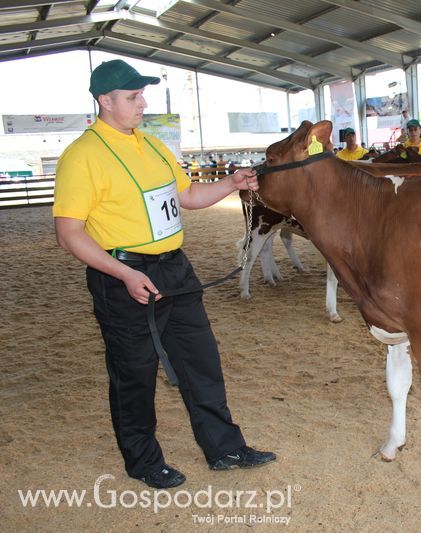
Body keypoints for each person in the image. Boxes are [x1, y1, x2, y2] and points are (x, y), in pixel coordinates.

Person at [52, 60, 275, 490]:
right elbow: (69, 233)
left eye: (142, 95)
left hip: (175, 267)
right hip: (123, 274)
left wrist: (231, 184)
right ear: (105, 101)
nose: (143, 104)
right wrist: (123, 274)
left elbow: (188, 195)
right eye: (133, 97)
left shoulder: (151, 145)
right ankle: (142, 461)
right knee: (134, 372)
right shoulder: (82, 156)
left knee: (200, 360)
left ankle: (225, 448)